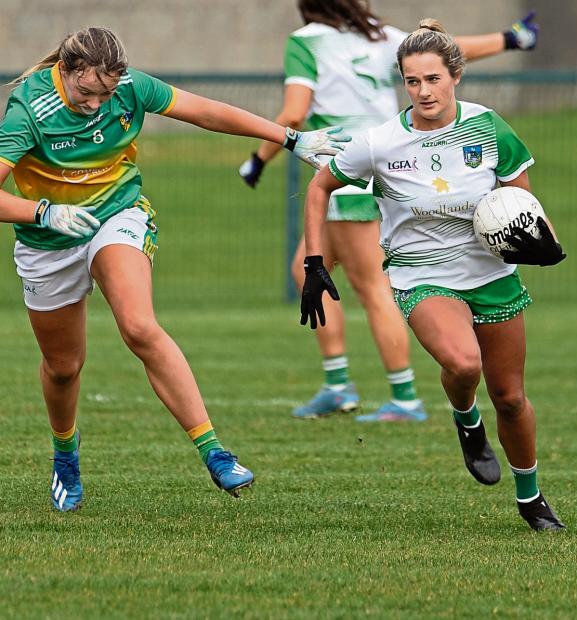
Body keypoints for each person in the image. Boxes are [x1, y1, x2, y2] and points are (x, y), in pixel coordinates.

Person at [0, 27, 349, 512]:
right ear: (66, 69)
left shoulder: (130, 88)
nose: (97, 104)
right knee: (64, 368)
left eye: (106, 94)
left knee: (140, 326)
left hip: (115, 214)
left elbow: (206, 111)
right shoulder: (29, 108)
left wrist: (290, 138)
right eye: (86, 92)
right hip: (46, 240)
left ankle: (216, 453)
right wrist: (42, 212)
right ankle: (65, 453)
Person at [299, 19, 567, 530]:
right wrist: (315, 262)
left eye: (433, 79)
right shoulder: (380, 142)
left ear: (456, 76)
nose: (423, 91)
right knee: (465, 365)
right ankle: (467, 418)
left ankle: (530, 499)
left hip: (491, 274)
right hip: (421, 274)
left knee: (510, 397)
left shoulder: (489, 129)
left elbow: (521, 202)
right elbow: (319, 186)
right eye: (412, 81)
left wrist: (539, 242)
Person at [238, 0, 540, 422]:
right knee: (307, 268)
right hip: (392, 162)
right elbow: (450, 48)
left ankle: (401, 394)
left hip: (357, 164)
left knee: (373, 286)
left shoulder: (305, 42)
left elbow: (293, 111)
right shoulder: (378, 35)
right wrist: (510, 39)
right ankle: (338, 382)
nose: (423, 86)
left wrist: (259, 157)